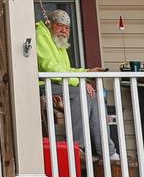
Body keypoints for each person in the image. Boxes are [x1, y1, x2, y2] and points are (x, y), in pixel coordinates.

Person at [37, 10, 108, 162]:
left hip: (59, 83)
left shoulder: (58, 41)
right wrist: (79, 82)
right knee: (80, 93)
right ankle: (77, 146)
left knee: (94, 95)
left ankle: (107, 150)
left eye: (67, 28)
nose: (64, 30)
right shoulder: (40, 36)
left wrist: (86, 72)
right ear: (49, 24)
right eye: (60, 26)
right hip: (44, 85)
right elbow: (50, 68)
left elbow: (65, 70)